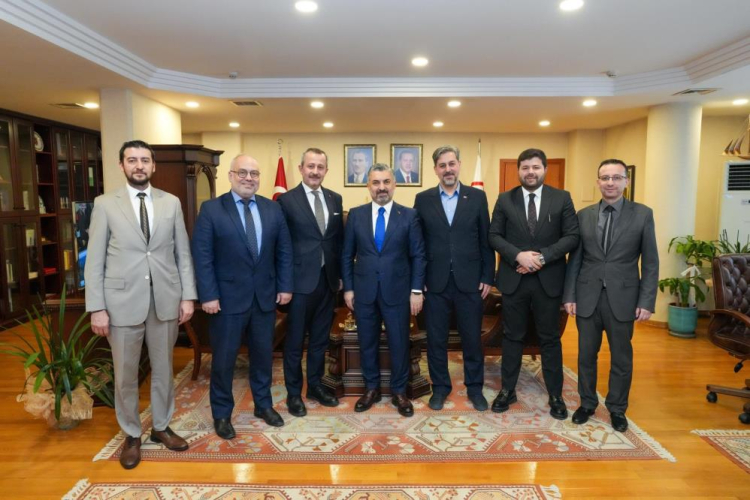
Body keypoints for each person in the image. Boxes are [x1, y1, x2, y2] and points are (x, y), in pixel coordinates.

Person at [85, 139, 196, 470]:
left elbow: (182, 253)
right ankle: (132, 434)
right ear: (121, 165)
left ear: (153, 165)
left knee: (164, 370)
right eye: (132, 160)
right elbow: (94, 261)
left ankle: (161, 427)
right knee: (125, 375)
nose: (139, 165)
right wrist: (97, 307)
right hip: (121, 303)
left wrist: (187, 295)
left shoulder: (170, 202)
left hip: (164, 299)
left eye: (145, 160)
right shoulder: (105, 204)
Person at [192, 154, 293, 437]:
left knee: (263, 356)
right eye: (243, 173)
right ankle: (222, 414)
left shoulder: (273, 209)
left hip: (264, 298)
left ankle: (263, 405)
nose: (249, 178)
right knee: (224, 361)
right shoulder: (211, 209)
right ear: (231, 176)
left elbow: (284, 251)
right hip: (226, 300)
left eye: (254, 174)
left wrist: (285, 286)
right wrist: (208, 295)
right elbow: (202, 256)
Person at [563, 159, 658, 433]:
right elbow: (575, 260)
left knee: (621, 358)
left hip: (624, 298)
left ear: (626, 181)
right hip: (587, 296)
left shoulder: (642, 214)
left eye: (616, 177)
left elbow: (650, 262)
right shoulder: (584, 215)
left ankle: (617, 408)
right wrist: (569, 295)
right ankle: (587, 403)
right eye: (605, 178)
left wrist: (646, 301)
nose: (610, 183)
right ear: (598, 182)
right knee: (585, 355)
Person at [488, 148, 579, 419]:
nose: (530, 172)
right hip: (514, 279)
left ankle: (555, 395)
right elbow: (494, 235)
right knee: (512, 336)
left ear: (544, 169)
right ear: (519, 170)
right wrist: (518, 255)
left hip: (547, 280)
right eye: (525, 167)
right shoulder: (505, 199)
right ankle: (507, 390)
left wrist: (541, 257)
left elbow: (572, 236)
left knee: (549, 338)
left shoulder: (561, 198)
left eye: (536, 167)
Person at [341, 163, 426, 417]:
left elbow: (418, 255)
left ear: (394, 184)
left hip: (398, 291)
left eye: (386, 182)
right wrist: (348, 289)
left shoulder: (409, 215)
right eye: (376, 182)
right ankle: (371, 389)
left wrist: (416, 290)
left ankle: (399, 391)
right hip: (364, 291)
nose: (381, 187)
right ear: (368, 186)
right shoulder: (356, 215)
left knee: (399, 343)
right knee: (367, 342)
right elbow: (346, 255)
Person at [414, 145, 494, 411]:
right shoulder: (423, 199)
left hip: (470, 281)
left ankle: (475, 388)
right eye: (442, 165)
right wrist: (419, 278)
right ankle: (440, 388)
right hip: (434, 282)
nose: (447, 169)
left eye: (451, 164)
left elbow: (485, 239)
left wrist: (487, 276)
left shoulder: (477, 197)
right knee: (436, 340)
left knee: (471, 339)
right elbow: (418, 243)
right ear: (435, 169)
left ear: (459, 165)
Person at [277, 147, 343, 416]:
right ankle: (294, 394)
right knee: (294, 343)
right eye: (310, 166)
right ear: (301, 168)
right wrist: (284, 284)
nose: (315, 171)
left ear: (326, 170)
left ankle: (314, 386)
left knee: (319, 341)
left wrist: (340, 276)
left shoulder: (335, 199)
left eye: (320, 167)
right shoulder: (286, 201)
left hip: (328, 282)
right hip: (298, 284)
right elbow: (281, 245)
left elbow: (337, 241)